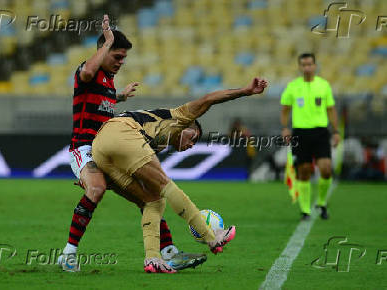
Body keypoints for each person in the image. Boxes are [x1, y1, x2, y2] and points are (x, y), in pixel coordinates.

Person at [59, 15, 205, 272]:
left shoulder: (107, 82)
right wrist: (108, 40)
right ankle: (68, 254)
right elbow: (88, 73)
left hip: (108, 153)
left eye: (123, 58)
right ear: (102, 51)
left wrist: (120, 97)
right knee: (97, 189)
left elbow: (101, 102)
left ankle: (169, 251)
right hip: (84, 148)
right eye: (117, 56)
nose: (120, 62)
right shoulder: (87, 71)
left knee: (149, 196)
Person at [91, 77, 268, 273]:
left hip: (100, 148)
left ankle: (152, 259)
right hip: (121, 133)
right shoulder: (179, 116)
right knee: (165, 185)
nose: (192, 145)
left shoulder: (157, 138)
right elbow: (209, 99)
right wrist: (245, 90)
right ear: (186, 126)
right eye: (193, 137)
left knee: (152, 200)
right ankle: (212, 236)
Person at [280, 53, 340, 220]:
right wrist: (285, 128)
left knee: (326, 169)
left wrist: (335, 131)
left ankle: (321, 202)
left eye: (309, 64)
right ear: (299, 67)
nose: (307, 67)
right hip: (300, 132)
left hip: (321, 132)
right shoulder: (293, 87)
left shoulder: (324, 85)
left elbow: (331, 109)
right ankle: (305, 210)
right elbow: (285, 109)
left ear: (314, 66)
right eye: (303, 65)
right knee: (304, 171)